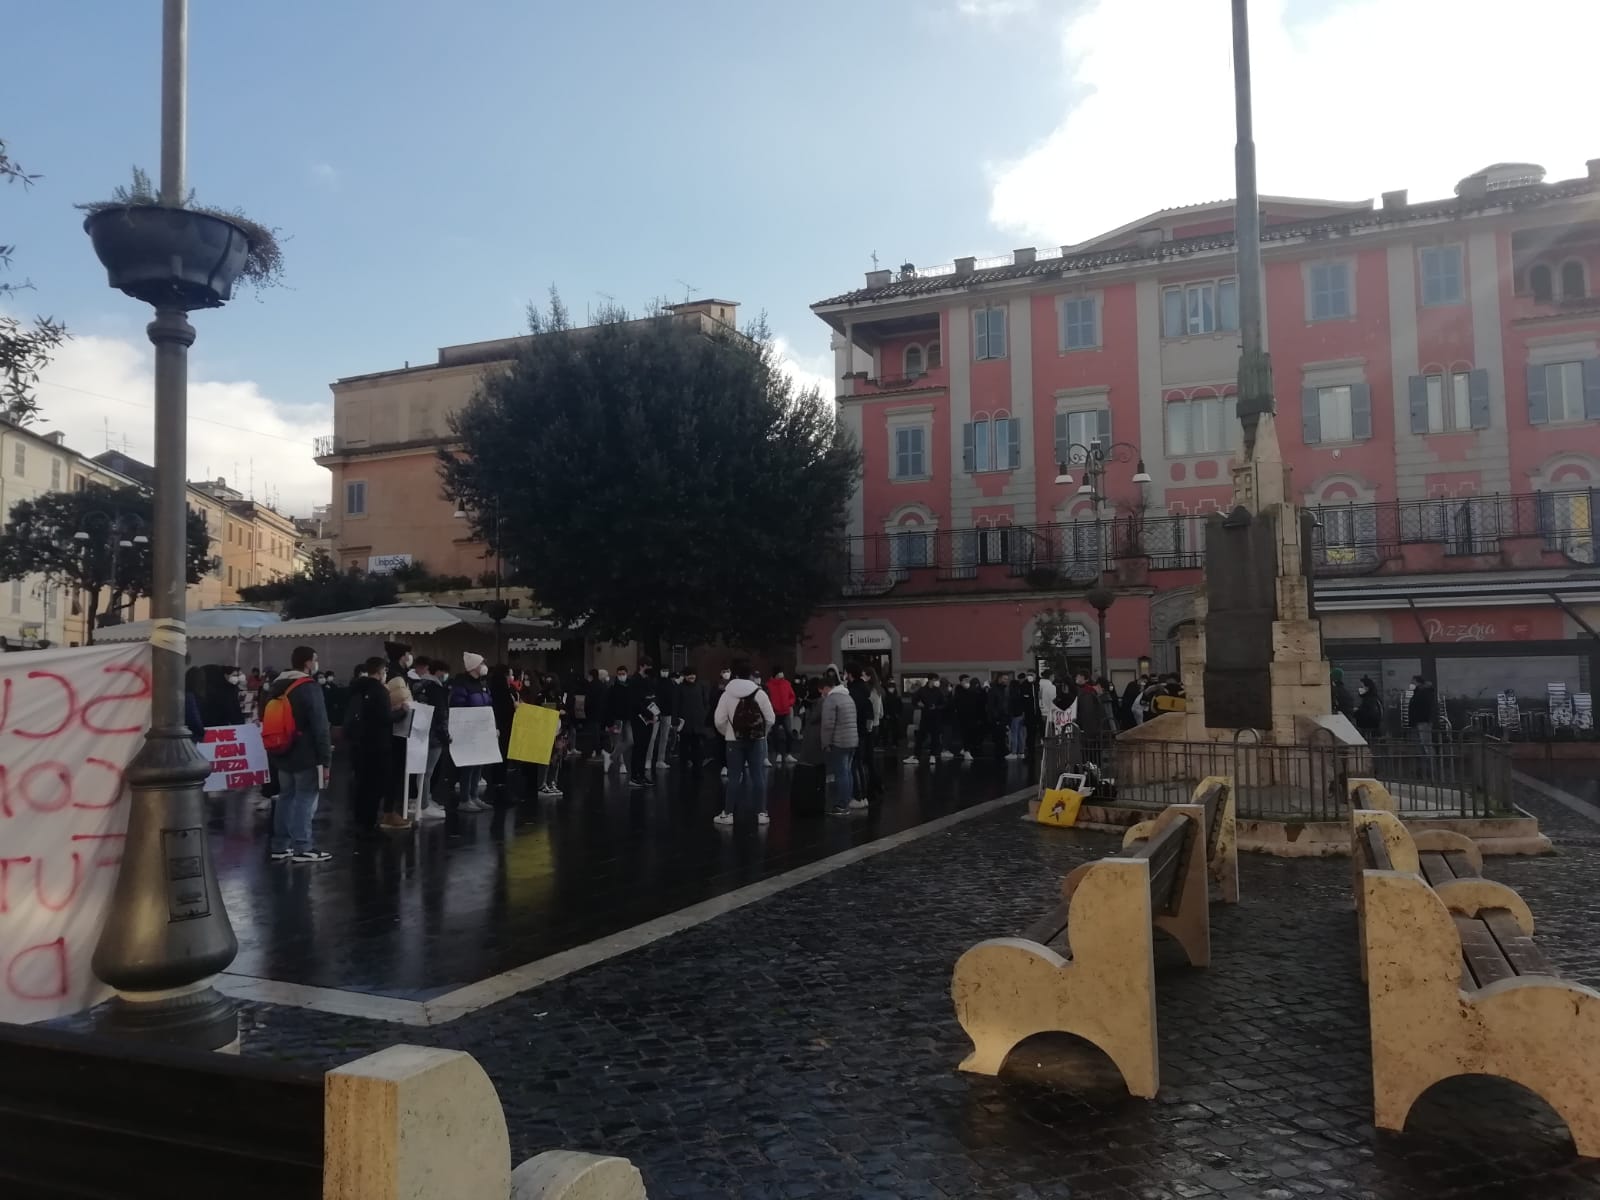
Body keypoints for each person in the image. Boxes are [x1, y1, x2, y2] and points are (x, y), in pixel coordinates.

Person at [265, 645, 334, 862]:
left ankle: (279, 845)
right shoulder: (308, 687)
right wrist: (326, 759)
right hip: (305, 754)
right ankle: (302, 846)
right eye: (315, 659)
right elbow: (320, 726)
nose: (316, 664)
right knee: (305, 797)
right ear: (307, 662)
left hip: (281, 751)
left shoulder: (276, 686)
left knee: (286, 797)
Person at [712, 660, 776, 826]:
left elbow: (719, 720)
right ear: (750, 675)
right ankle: (762, 813)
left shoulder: (726, 694)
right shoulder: (760, 693)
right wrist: (762, 733)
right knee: (758, 776)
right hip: (757, 740)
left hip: (734, 741)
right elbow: (770, 718)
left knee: (734, 777)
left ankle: (728, 814)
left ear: (734, 674)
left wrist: (728, 732)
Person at [450, 652, 493, 812]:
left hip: (481, 730)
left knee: (479, 763)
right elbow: (458, 707)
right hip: (468, 730)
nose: (484, 666)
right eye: (481, 663)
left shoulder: (482, 683)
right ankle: (464, 798)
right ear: (474, 666)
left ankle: (474, 796)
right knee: (468, 765)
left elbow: (489, 703)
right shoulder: (462, 684)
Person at [410, 658, 451, 820]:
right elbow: (441, 714)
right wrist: (445, 736)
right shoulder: (436, 689)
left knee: (421, 770)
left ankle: (423, 800)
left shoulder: (418, 686)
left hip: (420, 732)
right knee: (427, 771)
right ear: (438, 671)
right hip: (434, 735)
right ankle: (424, 804)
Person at [819, 669, 864, 817]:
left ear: (826, 688)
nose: (822, 694)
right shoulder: (847, 697)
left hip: (840, 741)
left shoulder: (831, 700)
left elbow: (827, 724)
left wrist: (825, 743)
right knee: (848, 771)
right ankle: (847, 800)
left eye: (822, 691)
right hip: (852, 740)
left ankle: (842, 805)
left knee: (841, 773)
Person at [628, 660, 662, 788]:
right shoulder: (635, 680)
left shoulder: (648, 680)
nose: (650, 669)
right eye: (648, 666)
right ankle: (634, 776)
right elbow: (635, 702)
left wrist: (655, 713)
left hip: (649, 717)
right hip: (638, 717)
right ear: (642, 666)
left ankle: (641, 775)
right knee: (638, 746)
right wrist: (648, 714)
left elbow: (652, 697)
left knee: (645, 747)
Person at [676, 667, 709, 774]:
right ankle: (683, 768)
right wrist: (676, 721)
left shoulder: (700, 686)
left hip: (698, 723)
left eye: (693, 674)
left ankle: (697, 768)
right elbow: (675, 705)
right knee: (684, 748)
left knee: (698, 747)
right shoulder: (680, 688)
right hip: (684, 723)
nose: (691, 676)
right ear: (684, 676)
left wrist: (704, 717)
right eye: (689, 674)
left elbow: (705, 703)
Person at [604, 665, 632, 774]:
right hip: (617, 718)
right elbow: (608, 706)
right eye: (619, 674)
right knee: (618, 741)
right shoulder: (613, 688)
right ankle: (622, 764)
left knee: (630, 740)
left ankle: (610, 757)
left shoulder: (631, 686)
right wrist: (609, 722)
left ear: (627, 673)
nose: (621, 676)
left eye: (623, 674)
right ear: (617, 674)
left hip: (628, 718)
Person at [767, 667, 797, 764]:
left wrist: (789, 703)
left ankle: (788, 754)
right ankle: (778, 754)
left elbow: (792, 696)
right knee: (775, 735)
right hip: (775, 713)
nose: (781, 675)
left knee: (789, 733)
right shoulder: (769, 685)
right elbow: (768, 698)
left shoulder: (786, 683)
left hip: (786, 712)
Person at [1408, 673, 1438, 770]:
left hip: (1423, 721)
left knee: (1426, 744)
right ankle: (1426, 768)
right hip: (1418, 721)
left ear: (1417, 682)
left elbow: (1423, 707)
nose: (1411, 684)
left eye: (1412, 682)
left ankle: (1431, 768)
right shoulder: (1419, 692)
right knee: (1421, 745)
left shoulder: (1424, 693)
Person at [582, 669, 609, 762]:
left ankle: (598, 753)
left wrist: (585, 711)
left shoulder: (591, 686)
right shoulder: (603, 685)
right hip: (602, 713)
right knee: (600, 733)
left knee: (595, 734)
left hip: (593, 713)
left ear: (591, 675)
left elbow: (588, 700)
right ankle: (602, 751)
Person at [1355, 674, 1384, 741]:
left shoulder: (1370, 699)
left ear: (1367, 688)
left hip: (1369, 731)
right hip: (1373, 730)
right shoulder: (1374, 698)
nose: (1359, 689)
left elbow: (1369, 714)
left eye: (1361, 686)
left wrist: (1356, 712)